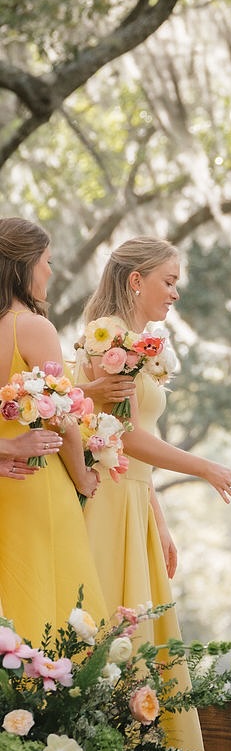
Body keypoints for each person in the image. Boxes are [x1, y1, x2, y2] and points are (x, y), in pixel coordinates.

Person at [77, 237, 231, 751]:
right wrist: (203, 467)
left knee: (144, 637)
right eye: (168, 280)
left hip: (133, 500)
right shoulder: (106, 338)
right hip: (104, 503)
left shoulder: (140, 343)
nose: (176, 291)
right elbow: (126, 438)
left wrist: (160, 520)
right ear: (136, 280)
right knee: (112, 635)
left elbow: (135, 446)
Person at [0, 218, 112, 643]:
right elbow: (61, 418)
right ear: (24, 265)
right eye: (47, 261)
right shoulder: (33, 327)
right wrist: (83, 475)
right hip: (36, 484)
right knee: (55, 604)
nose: (51, 271)